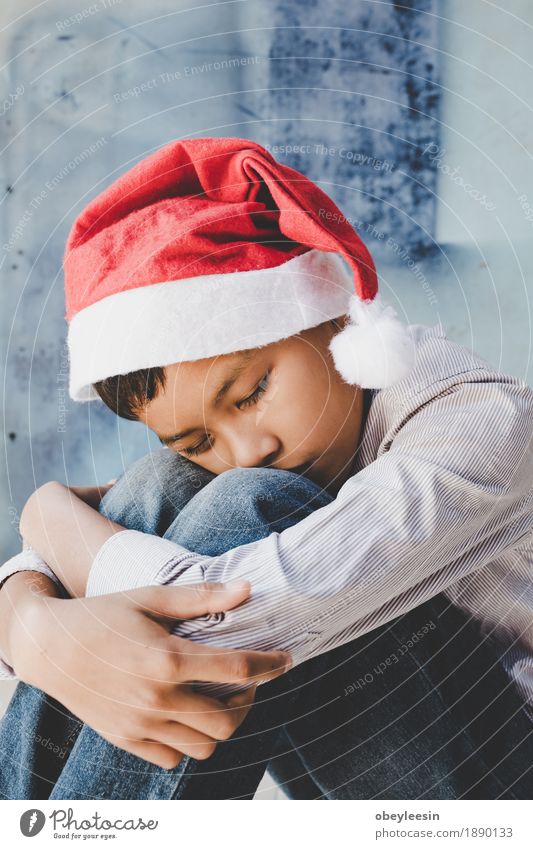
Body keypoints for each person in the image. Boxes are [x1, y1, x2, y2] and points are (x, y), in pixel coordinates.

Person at [0, 137, 532, 800]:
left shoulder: (483, 421)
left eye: (250, 392)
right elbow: (117, 523)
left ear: (331, 314)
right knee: (157, 487)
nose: (245, 447)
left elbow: (231, 616)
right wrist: (25, 606)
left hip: (506, 775)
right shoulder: (285, 442)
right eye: (195, 438)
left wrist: (45, 520)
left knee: (247, 503)